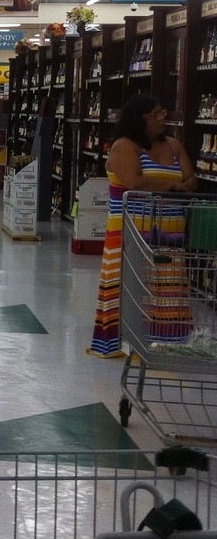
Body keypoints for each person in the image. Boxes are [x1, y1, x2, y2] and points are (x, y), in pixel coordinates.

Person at [90, 94, 197, 358]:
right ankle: (122, 341)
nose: (162, 119)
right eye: (155, 114)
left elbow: (191, 179)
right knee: (130, 285)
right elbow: (133, 181)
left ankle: (167, 343)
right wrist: (172, 185)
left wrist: (180, 185)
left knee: (168, 287)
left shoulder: (173, 145)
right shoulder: (125, 146)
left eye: (163, 112)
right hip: (130, 230)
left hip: (169, 232)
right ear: (140, 119)